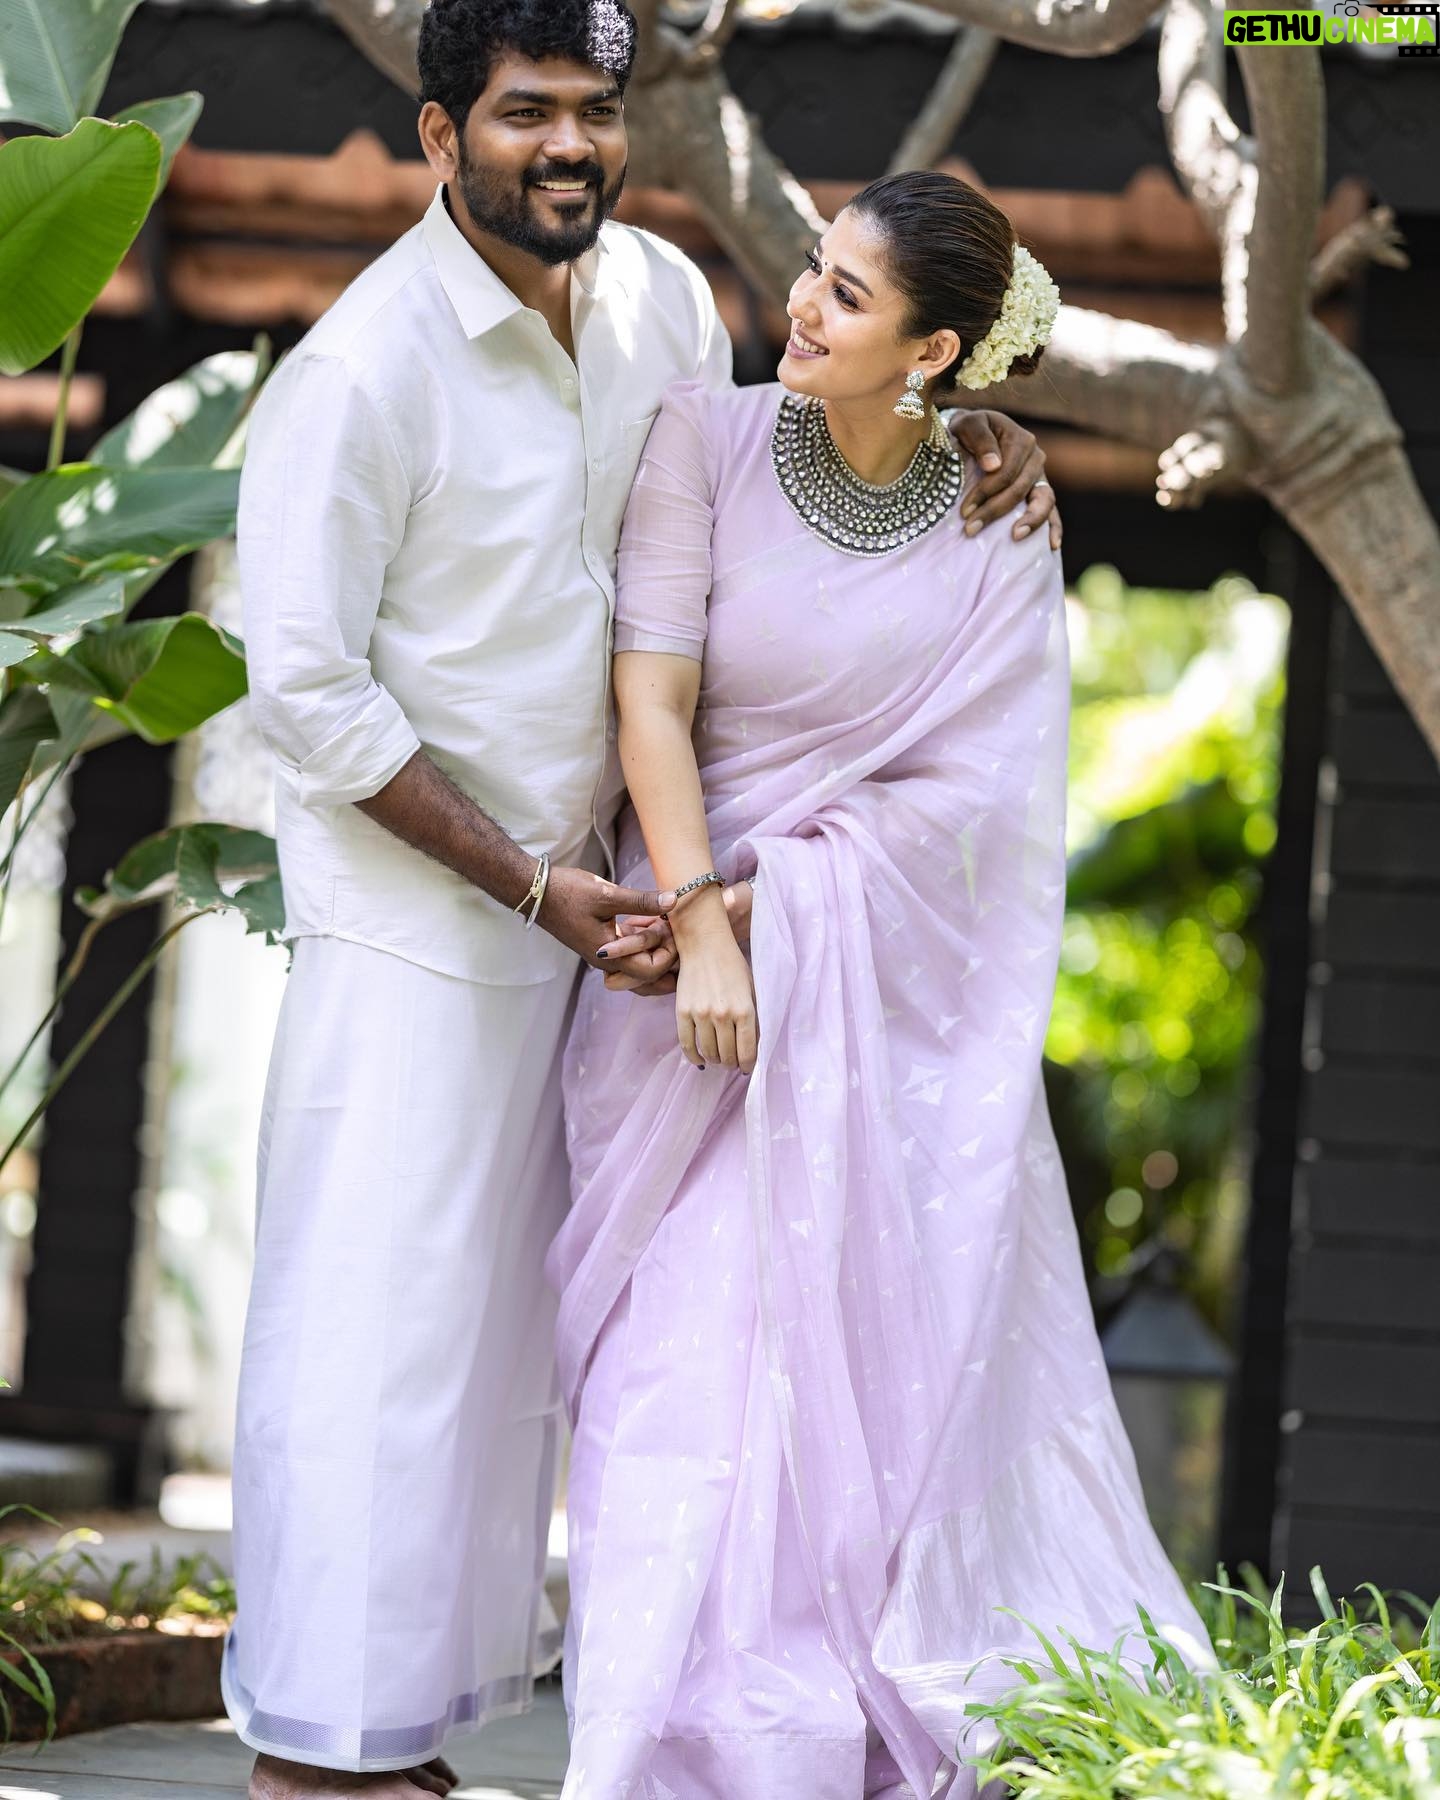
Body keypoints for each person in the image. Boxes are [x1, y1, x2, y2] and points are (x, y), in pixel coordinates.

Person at [225, 1, 1060, 1794]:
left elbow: (789, 471)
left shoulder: (666, 304)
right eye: (524, 112)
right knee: (375, 1334)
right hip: (427, 927)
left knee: (505, 1366)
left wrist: (977, 427)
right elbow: (303, 695)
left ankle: (406, 1743)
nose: (570, 145)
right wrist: (536, 882)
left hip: (613, 938)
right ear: (440, 135)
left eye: (595, 110)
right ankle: (308, 1757)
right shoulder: (362, 372)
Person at [551, 169, 1215, 1800]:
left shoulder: (996, 532)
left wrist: (777, 911)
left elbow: (976, 816)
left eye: (848, 296)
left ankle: (783, 1755)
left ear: (933, 355)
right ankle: (640, 1758)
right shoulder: (705, 441)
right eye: (814, 267)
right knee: (668, 1383)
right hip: (675, 1005)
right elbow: (651, 700)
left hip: (856, 1035)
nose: (802, 303)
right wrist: (706, 923)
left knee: (808, 1408)